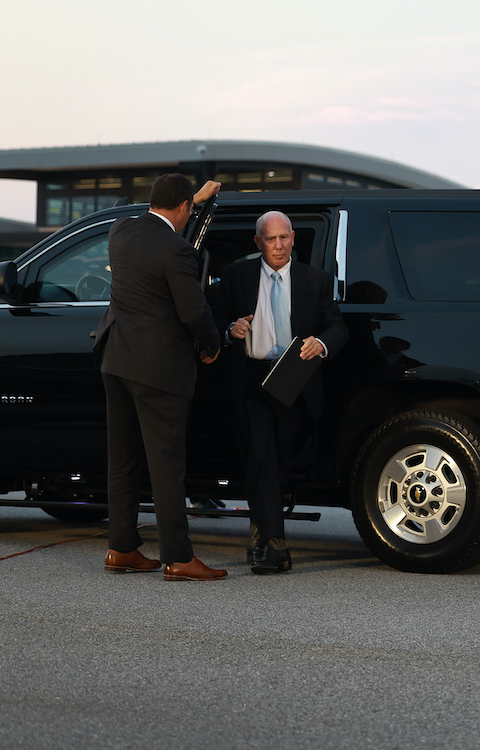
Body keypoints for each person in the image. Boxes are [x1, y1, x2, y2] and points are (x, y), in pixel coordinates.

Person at [95, 173, 228, 581]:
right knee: (167, 465)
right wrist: (214, 343)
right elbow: (193, 311)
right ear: (185, 207)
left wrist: (196, 196)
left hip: (116, 360)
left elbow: (151, 221)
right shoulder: (178, 251)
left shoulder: (122, 231)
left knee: (123, 460)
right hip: (158, 369)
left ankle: (122, 548)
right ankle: (178, 557)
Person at [215, 211, 347, 574]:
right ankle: (273, 546)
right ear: (258, 242)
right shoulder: (236, 276)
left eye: (284, 238)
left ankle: (261, 534)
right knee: (262, 459)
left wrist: (320, 343)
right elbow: (214, 320)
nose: (279, 245)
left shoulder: (315, 280)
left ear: (293, 239)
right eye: (271, 239)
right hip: (252, 381)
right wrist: (230, 330)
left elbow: (338, 327)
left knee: (278, 463)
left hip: (295, 381)